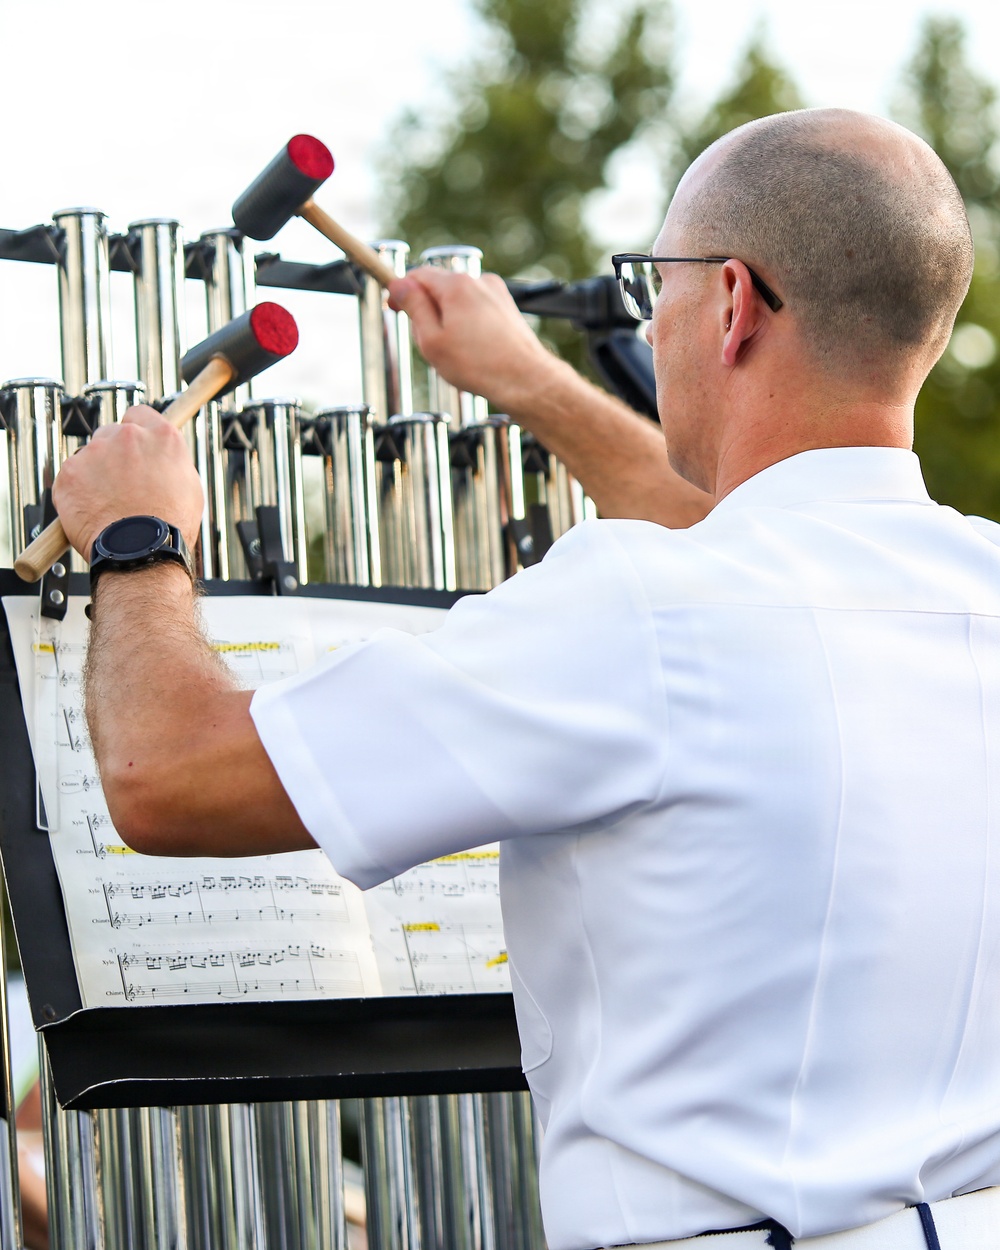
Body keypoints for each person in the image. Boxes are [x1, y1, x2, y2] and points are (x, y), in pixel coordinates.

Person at [51, 108, 1000, 1248]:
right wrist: (523, 379)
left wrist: (137, 534)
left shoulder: (645, 611)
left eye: (663, 283)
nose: (658, 310)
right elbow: (751, 566)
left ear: (734, 303)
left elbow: (166, 772)